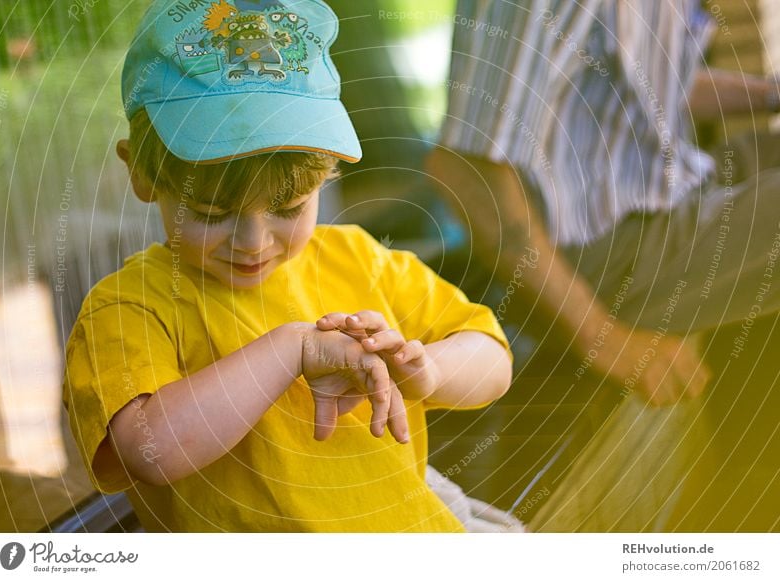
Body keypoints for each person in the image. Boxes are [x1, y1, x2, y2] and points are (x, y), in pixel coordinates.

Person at [62, 0, 514, 532]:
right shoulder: (130, 306)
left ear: (325, 177)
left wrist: (427, 372)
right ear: (141, 175)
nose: (253, 242)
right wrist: (290, 348)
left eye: (287, 208)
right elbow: (150, 450)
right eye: (212, 213)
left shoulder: (355, 257)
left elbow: (491, 356)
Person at [427, 0, 780, 530]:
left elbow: (645, 92)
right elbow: (463, 171)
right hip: (600, 248)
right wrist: (603, 338)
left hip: (679, 188)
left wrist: (771, 97)